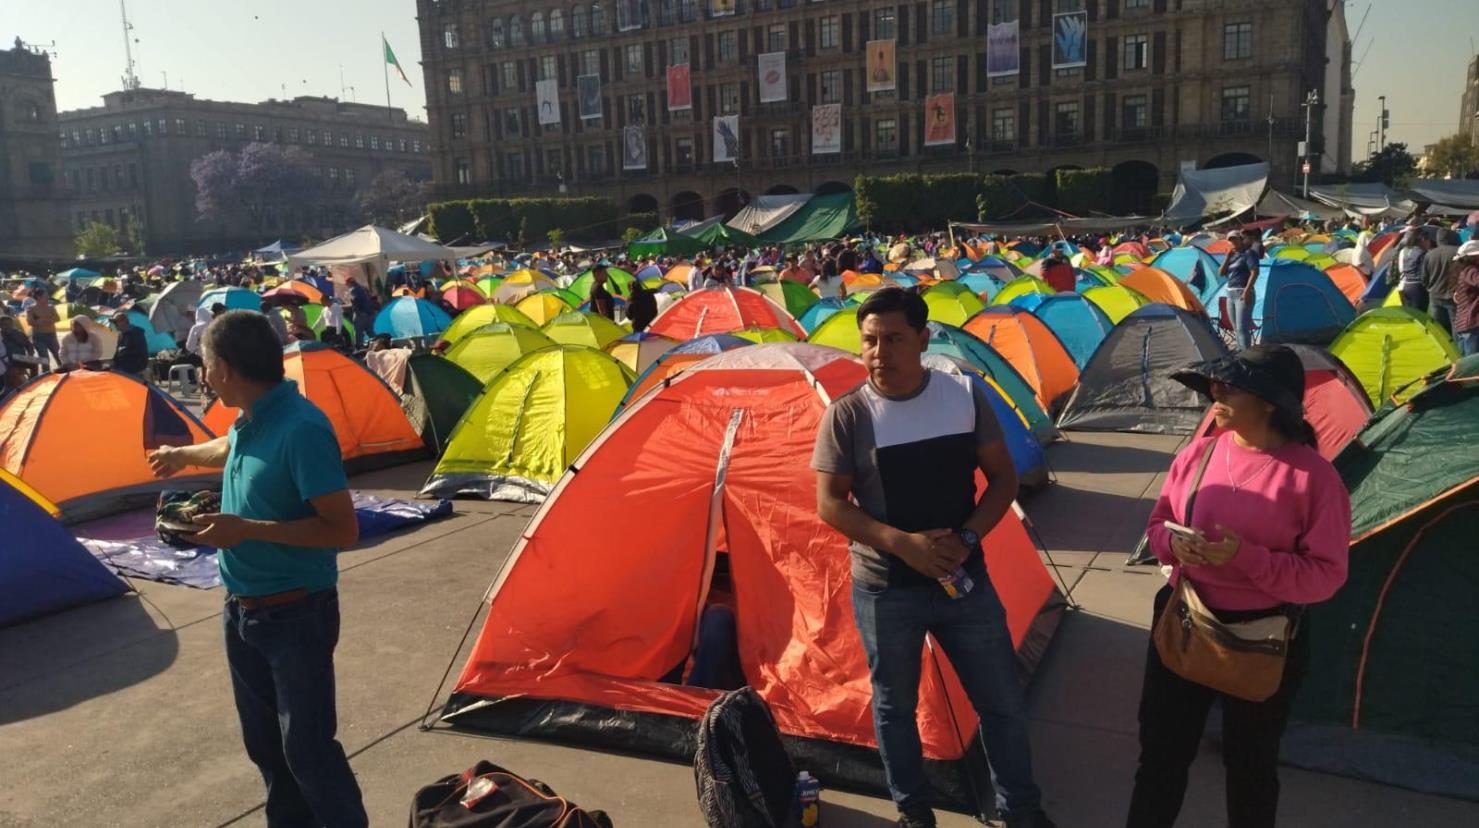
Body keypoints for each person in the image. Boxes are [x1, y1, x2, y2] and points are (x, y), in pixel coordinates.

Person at [812, 288, 1054, 828]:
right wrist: (905, 545)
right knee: (895, 709)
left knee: (1001, 703)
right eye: (870, 341)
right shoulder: (848, 415)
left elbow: (1003, 480)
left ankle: (1022, 812)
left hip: (964, 582)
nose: (880, 352)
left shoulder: (964, 395)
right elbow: (829, 505)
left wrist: (966, 541)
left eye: (894, 339)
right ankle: (914, 815)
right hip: (885, 589)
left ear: (922, 339)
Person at [146, 310, 368, 828]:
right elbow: (229, 446)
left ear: (224, 367)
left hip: (297, 613)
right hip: (242, 612)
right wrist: (183, 456)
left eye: (204, 364)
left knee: (308, 752)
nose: (201, 375)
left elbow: (342, 530)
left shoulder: (302, 427)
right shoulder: (253, 417)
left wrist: (245, 529)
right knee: (268, 749)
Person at [1126, 344, 1350, 828]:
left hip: (1262, 640)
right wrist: (1172, 544)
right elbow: (1158, 522)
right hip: (1184, 620)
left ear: (1269, 403)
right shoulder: (1198, 453)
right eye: (1215, 384)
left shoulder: (1315, 479)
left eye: (1229, 386)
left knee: (1250, 771)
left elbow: (1326, 576)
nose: (1215, 393)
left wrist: (1245, 558)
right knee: (1160, 760)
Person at [1219, 234, 1258, 349]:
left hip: (1243, 292)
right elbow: (1221, 273)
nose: (1233, 242)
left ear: (1241, 240)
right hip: (1230, 293)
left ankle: (1246, 355)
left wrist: (1247, 292)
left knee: (1242, 328)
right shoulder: (1231, 256)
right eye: (1230, 240)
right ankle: (1241, 353)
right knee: (1236, 328)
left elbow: (1255, 272)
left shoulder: (1249, 253)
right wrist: (1227, 257)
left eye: (1235, 239)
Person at [1422, 229, 1461, 335]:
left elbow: (1424, 277)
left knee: (1438, 327)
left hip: (1435, 294)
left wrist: (1429, 288)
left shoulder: (1429, 254)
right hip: (1452, 295)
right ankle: (1456, 349)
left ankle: (1441, 348)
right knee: (1456, 325)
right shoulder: (1458, 251)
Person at [1452, 240, 1479, 357]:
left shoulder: (1464, 270)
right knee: (1472, 364)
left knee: (1464, 363)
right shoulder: (1471, 271)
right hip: (1471, 323)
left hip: (1463, 323)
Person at [24, 289, 60, 371]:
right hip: (38, 337)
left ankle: (64, 371)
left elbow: (57, 318)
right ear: (38, 297)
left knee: (58, 355)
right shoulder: (31, 309)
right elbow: (30, 322)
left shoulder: (51, 307)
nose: (47, 298)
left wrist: (42, 320)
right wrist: (45, 320)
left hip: (51, 335)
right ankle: (46, 376)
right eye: (45, 296)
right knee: (44, 359)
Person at [1394, 229, 1427, 310]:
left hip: (1404, 285)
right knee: (1419, 313)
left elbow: (1401, 269)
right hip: (1417, 286)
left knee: (1408, 312)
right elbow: (1424, 271)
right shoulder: (1422, 252)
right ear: (1421, 239)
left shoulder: (1403, 251)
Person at [111, 311, 150, 375]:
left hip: (135, 365)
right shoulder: (121, 335)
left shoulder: (136, 332)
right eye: (114, 322)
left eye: (116, 322)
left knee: (117, 374)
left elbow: (140, 351)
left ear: (124, 322)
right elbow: (117, 352)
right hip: (124, 364)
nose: (115, 325)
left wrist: (122, 353)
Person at [347, 276, 376, 348]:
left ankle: (359, 347)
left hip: (361, 314)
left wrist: (357, 312)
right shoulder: (364, 288)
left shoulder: (353, 290)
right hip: (370, 313)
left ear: (350, 283)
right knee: (370, 331)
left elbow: (355, 302)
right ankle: (378, 342)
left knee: (358, 332)